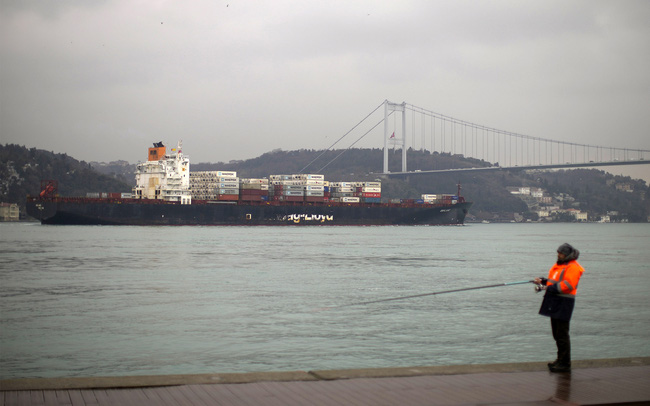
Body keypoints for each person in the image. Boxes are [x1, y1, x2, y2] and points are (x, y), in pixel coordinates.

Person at [534, 243, 585, 373]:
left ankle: (565, 363)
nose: (558, 255)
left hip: (564, 302)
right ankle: (560, 360)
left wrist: (547, 287)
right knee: (556, 333)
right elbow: (554, 282)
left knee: (562, 334)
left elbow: (568, 285)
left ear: (567, 255)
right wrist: (543, 281)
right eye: (558, 252)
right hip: (555, 301)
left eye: (561, 253)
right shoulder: (560, 266)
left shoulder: (573, 267)